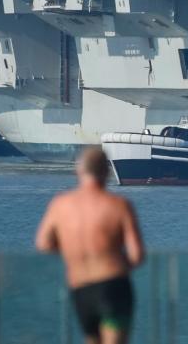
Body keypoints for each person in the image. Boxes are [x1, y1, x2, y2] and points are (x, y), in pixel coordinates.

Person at [35, 146, 144, 344]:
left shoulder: (60, 205)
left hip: (81, 288)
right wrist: (116, 263)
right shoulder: (119, 205)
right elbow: (137, 255)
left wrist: (72, 251)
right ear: (107, 171)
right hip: (113, 287)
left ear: (79, 171)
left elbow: (43, 244)